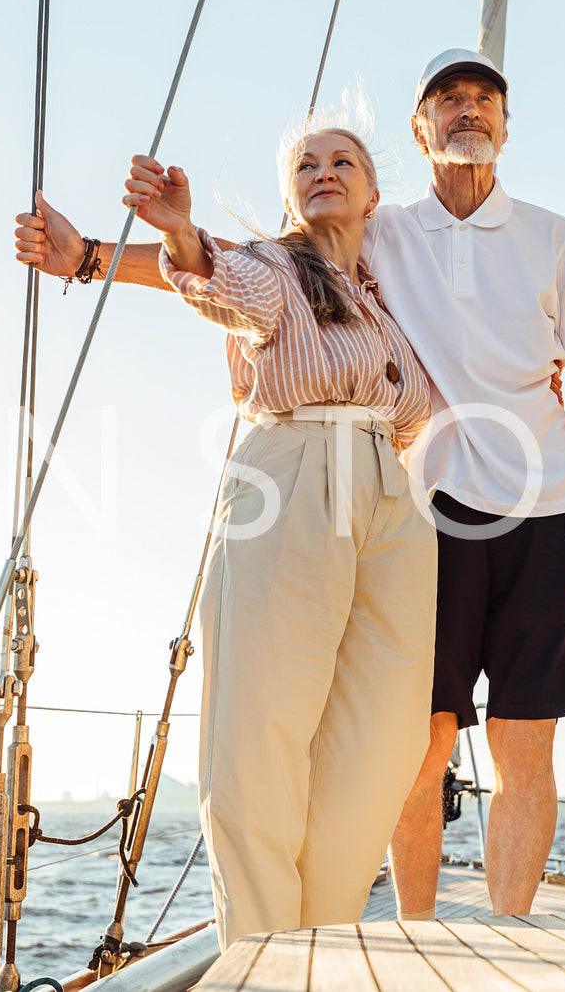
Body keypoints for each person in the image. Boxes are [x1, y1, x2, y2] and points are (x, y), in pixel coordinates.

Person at [14, 48, 565, 922]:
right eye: (446, 100)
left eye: (483, 100)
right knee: (415, 744)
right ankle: (416, 934)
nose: (466, 111)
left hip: (537, 509)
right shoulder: (378, 230)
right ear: (420, 132)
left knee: (519, 743)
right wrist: (91, 259)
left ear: (503, 122)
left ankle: (506, 936)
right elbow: (228, 270)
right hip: (425, 505)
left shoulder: (550, 238)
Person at [113, 123, 439, 948]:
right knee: (259, 732)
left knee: (383, 745)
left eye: (343, 162)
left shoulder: (386, 293)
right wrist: (183, 234)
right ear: (288, 194)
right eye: (306, 164)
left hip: (388, 494)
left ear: (373, 193)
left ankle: (318, 940)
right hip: (293, 468)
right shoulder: (274, 268)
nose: (324, 172)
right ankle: (261, 954)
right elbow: (222, 283)